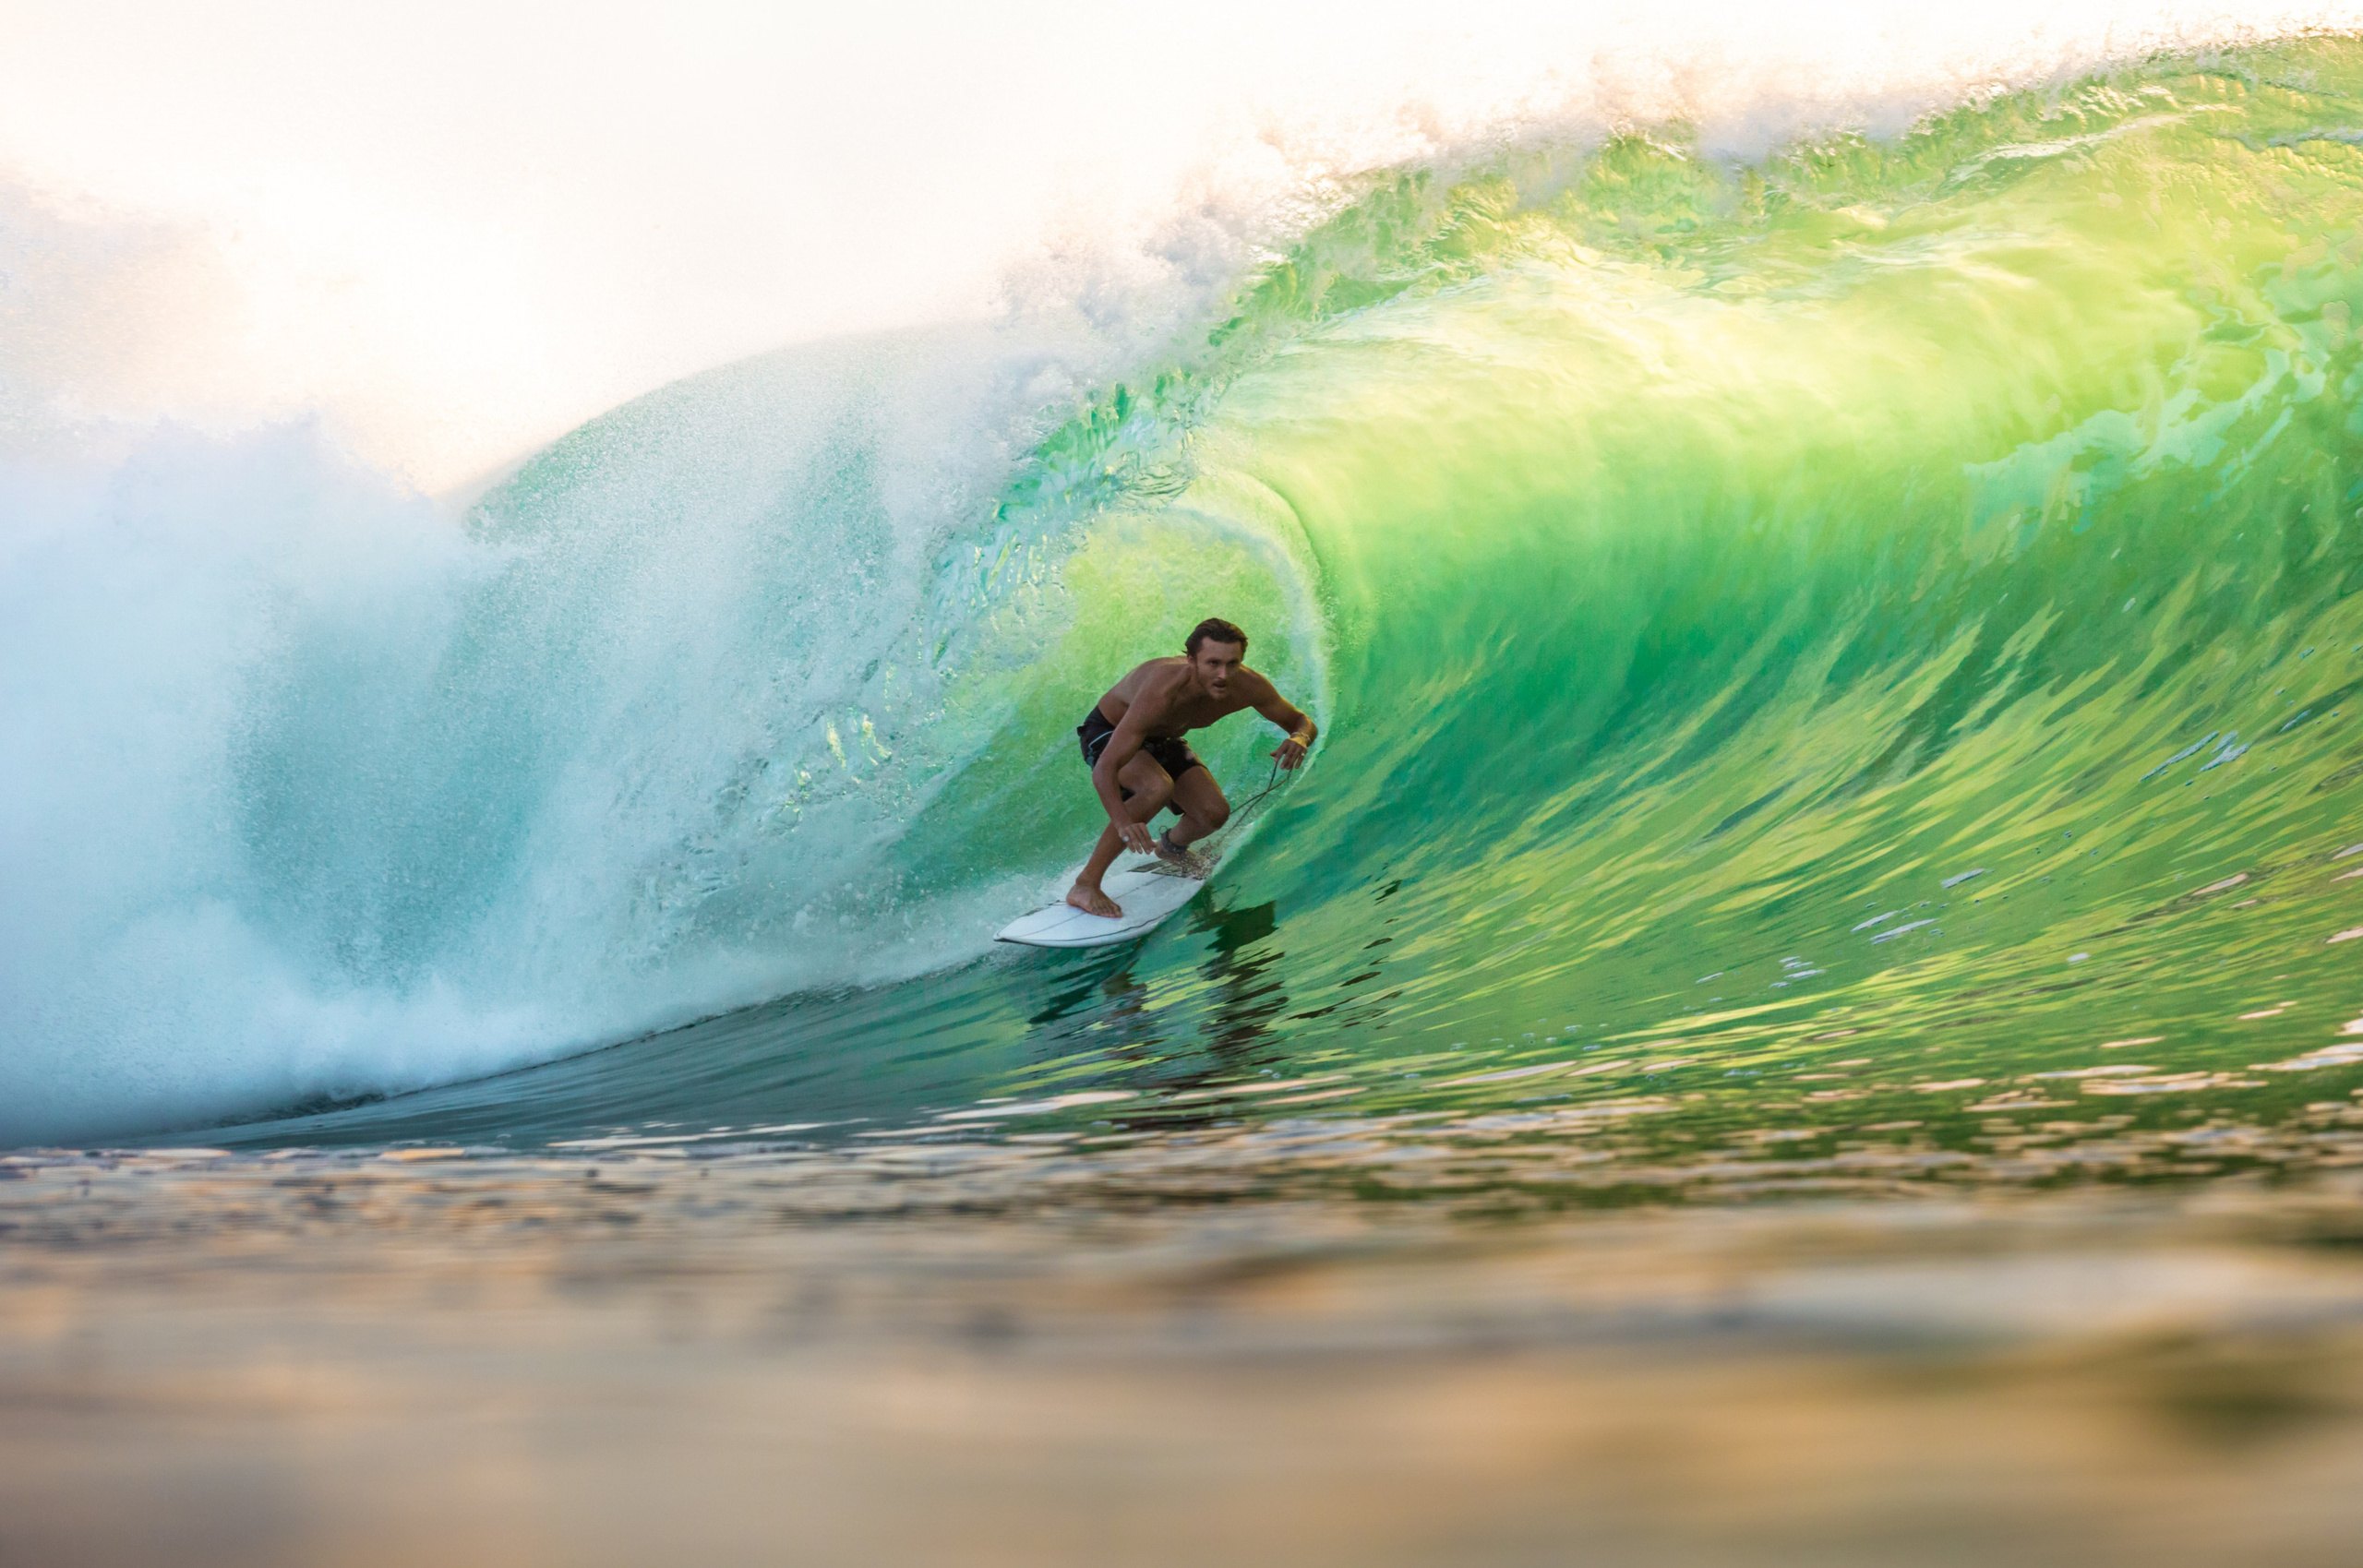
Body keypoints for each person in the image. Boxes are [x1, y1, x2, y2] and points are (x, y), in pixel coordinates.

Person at [1068, 616, 1317, 917]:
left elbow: (1300, 721)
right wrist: (1123, 822)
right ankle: (1085, 884)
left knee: (1213, 814)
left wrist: (1300, 738)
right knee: (1156, 787)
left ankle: (1171, 848)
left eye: (1232, 663)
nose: (1223, 674)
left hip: (1163, 737)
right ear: (1191, 660)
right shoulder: (1161, 692)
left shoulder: (1248, 686)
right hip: (1110, 730)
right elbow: (1105, 768)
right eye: (1213, 663)